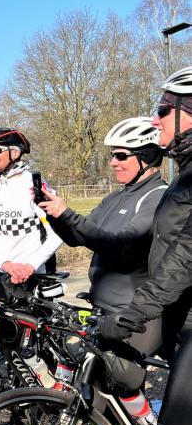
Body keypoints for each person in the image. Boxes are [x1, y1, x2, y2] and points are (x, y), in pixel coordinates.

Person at [98, 67, 192, 425]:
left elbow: (183, 260)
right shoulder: (185, 175)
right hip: (177, 320)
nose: (156, 121)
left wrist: (134, 313)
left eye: (162, 110)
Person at [39, 117, 166, 354]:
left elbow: (120, 245)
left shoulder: (157, 197)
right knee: (91, 380)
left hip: (134, 312)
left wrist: (67, 214)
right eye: (112, 155)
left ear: (145, 157)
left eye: (120, 156)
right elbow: (77, 237)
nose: (112, 163)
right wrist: (53, 214)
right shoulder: (115, 198)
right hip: (103, 308)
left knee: (122, 383)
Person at [0, 128, 62, 299]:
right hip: (4, 273)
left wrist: (30, 266)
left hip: (36, 273)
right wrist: (7, 265)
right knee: (5, 326)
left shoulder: (34, 185)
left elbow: (58, 233)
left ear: (15, 152)